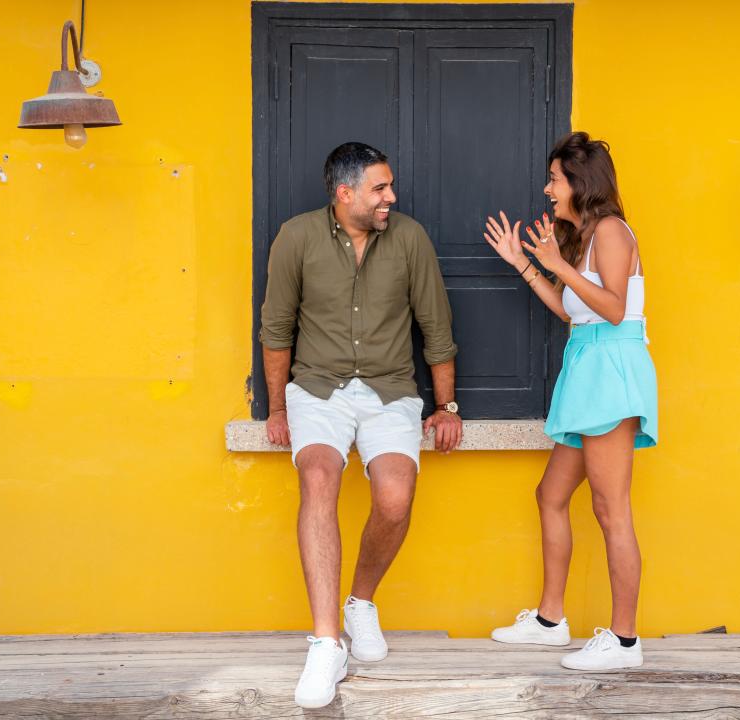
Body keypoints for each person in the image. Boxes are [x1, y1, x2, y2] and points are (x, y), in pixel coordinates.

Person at [260, 142, 463, 708]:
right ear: (344, 193)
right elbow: (276, 330)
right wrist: (277, 408)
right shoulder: (296, 237)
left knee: (395, 498)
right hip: (317, 389)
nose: (391, 197)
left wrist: (445, 407)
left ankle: (361, 602)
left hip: (390, 389)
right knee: (319, 477)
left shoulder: (409, 238)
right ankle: (326, 642)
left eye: (389, 187)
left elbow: (436, 327)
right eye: (380, 188)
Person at [483, 131, 658, 671]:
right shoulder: (583, 236)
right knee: (551, 494)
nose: (547, 187)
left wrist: (557, 264)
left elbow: (611, 309)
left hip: (610, 370)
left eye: (555, 178)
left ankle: (625, 642)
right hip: (588, 368)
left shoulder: (609, 230)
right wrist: (525, 264)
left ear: (581, 182)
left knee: (610, 510)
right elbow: (572, 312)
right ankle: (550, 621)